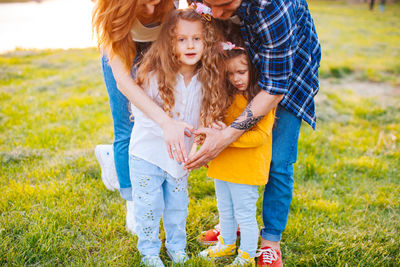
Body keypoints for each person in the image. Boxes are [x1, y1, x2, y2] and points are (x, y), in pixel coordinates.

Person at [185, 0, 321, 266]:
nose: (215, 13)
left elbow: (274, 88)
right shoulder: (205, 4)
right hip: (239, 64)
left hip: (286, 74)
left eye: (224, 5)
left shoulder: (274, 6)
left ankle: (270, 240)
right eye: (207, 4)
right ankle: (233, 226)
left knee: (279, 162)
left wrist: (224, 139)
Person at [129, 8, 226, 266]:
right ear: (169, 42)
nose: (190, 45)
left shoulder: (206, 79)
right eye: (182, 39)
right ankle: (149, 253)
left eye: (197, 39)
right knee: (149, 208)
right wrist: (167, 127)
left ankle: (177, 248)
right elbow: (139, 111)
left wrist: (211, 130)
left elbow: (205, 116)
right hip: (147, 155)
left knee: (177, 208)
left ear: (206, 42)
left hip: (179, 160)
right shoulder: (154, 74)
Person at [92, 0, 186, 234]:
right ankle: (133, 199)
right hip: (125, 50)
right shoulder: (111, 10)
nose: (153, 8)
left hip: (158, 49)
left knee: (157, 121)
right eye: (145, 3)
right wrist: (165, 122)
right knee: (127, 127)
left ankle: (113, 158)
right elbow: (124, 82)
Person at [199, 37, 275, 266]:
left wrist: (226, 139)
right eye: (230, 74)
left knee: (245, 213)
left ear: (253, 69)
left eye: (241, 72)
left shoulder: (262, 100)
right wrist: (214, 134)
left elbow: (260, 136)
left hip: (246, 168)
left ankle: (247, 254)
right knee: (225, 209)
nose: (236, 79)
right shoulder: (226, 96)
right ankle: (227, 243)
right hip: (224, 165)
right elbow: (218, 126)